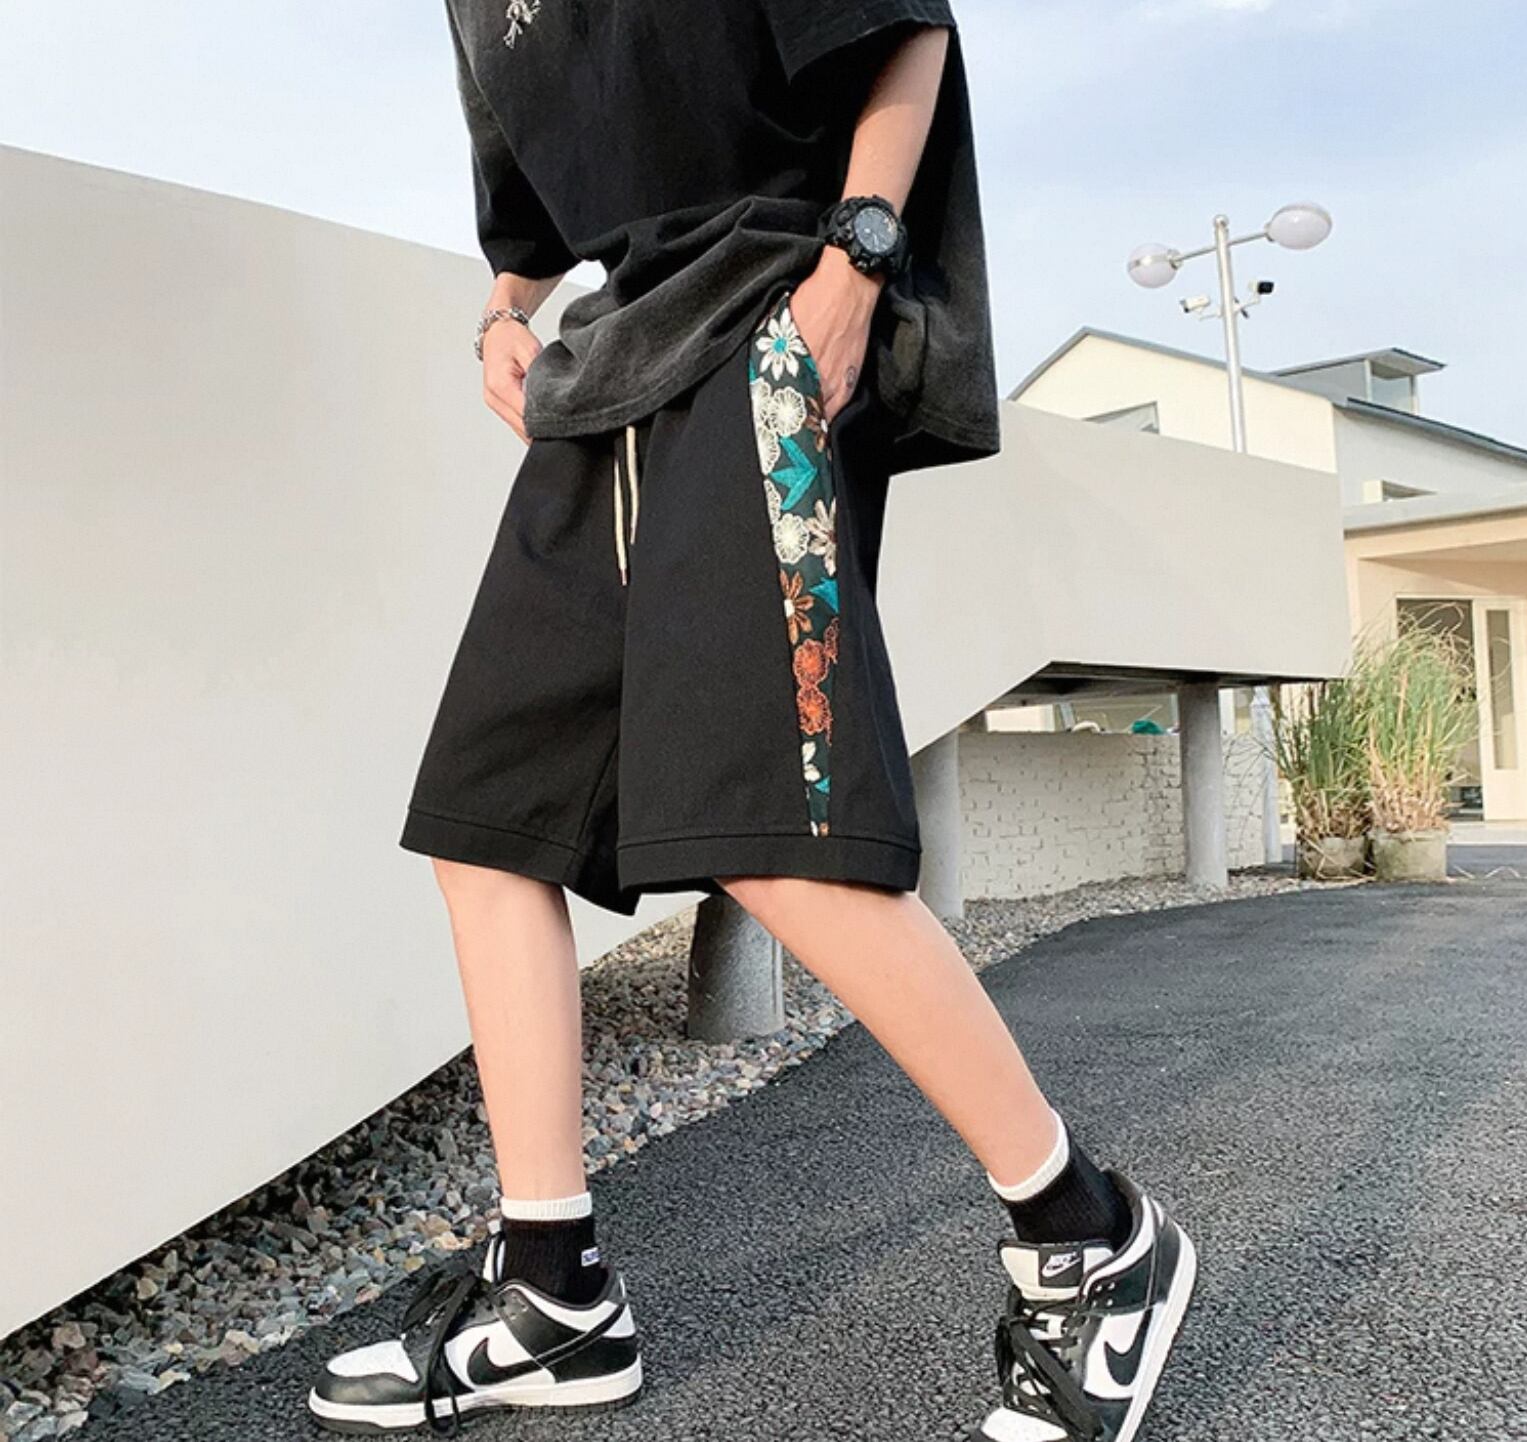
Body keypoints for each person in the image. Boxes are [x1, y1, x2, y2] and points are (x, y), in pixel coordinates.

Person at [307, 2, 1197, 1438]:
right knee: (491, 820)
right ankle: (554, 1295)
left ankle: (1092, 1238)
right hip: (610, 367)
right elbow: (534, 221)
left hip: (772, 317)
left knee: (769, 826)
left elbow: (907, 27)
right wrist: (502, 315)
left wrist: (856, 263)